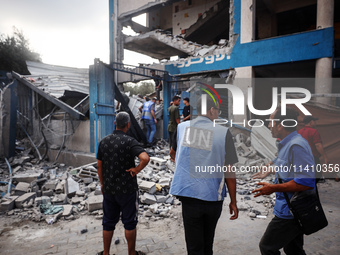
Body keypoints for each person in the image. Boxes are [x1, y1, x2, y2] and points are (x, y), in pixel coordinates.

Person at [170, 95, 239, 255]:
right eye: (218, 111)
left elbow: (172, 152)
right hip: (212, 197)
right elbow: (229, 170)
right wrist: (233, 201)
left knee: (194, 247)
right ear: (211, 110)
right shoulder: (223, 133)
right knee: (208, 243)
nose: (218, 114)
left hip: (188, 195)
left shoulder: (182, 128)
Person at [252, 107, 316, 255]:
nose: (268, 126)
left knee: (267, 247)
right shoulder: (287, 143)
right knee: (293, 249)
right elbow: (282, 161)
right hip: (290, 207)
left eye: (271, 122)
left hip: (291, 211)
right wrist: (269, 168)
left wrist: (273, 188)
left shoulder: (296, 145)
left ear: (280, 125)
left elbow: (306, 183)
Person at [96, 112, 150, 255]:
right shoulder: (130, 141)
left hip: (109, 189)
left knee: (108, 223)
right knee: (130, 222)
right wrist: (136, 169)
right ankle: (131, 253)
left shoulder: (104, 141)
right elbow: (145, 158)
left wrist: (102, 184)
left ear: (115, 123)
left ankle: (106, 253)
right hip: (127, 190)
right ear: (128, 124)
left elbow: (99, 166)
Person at [298, 116, 328, 182]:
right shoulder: (313, 131)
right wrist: (325, 157)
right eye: (314, 121)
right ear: (311, 122)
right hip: (312, 158)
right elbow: (318, 145)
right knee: (316, 176)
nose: (315, 123)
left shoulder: (299, 132)